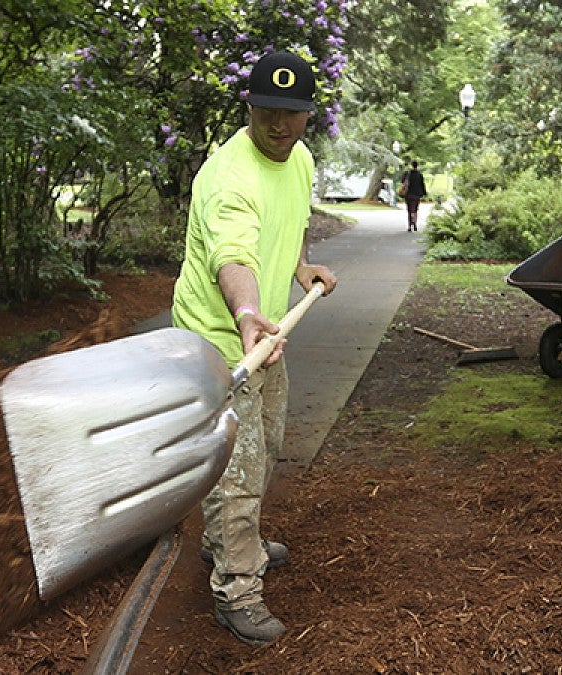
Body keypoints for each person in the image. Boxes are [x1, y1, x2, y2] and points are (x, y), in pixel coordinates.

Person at [171, 49, 338, 646]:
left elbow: (286, 225)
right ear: (250, 106)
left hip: (265, 337)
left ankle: (228, 538)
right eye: (267, 111)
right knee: (235, 475)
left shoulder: (299, 160)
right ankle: (237, 587)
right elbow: (233, 256)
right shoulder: (228, 176)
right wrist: (247, 315)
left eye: (291, 114)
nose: (279, 126)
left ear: (308, 115)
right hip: (219, 346)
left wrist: (299, 268)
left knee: (263, 449)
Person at [401, 160, 428, 232]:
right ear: (417, 165)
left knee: (409, 210)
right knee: (415, 210)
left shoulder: (407, 173)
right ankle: (415, 224)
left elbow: (402, 181)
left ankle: (410, 226)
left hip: (408, 194)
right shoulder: (419, 174)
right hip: (417, 195)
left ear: (411, 165)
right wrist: (424, 193)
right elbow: (422, 185)